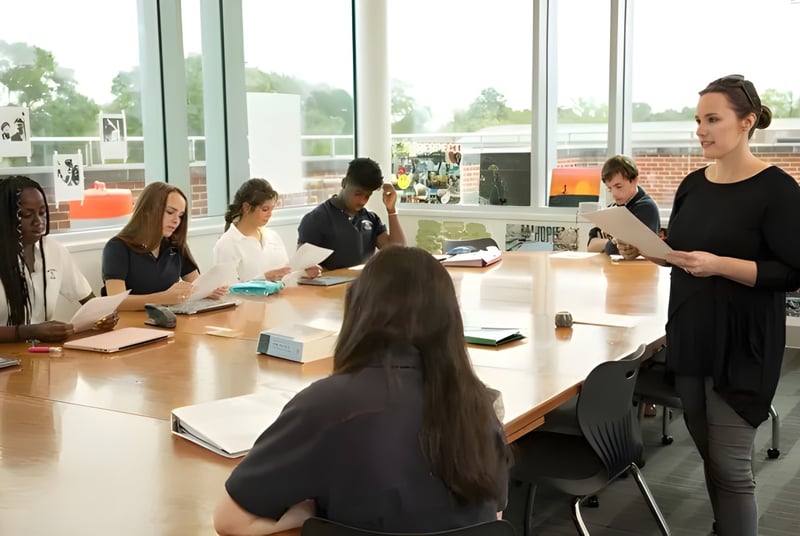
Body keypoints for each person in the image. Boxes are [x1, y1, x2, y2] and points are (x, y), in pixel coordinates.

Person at [213, 246, 508, 535]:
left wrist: (306, 515)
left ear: (359, 311)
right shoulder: (479, 403)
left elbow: (229, 521)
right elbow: (494, 515)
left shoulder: (326, 406)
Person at [619, 75, 800, 536]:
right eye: (698, 120)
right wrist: (650, 250)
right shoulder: (693, 184)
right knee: (711, 456)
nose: (701, 130)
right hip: (692, 331)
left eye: (713, 119)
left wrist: (721, 264)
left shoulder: (777, 190)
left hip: (743, 342)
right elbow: (683, 251)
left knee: (732, 468)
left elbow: (793, 273)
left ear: (747, 121)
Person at [0, 175, 118, 343]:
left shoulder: (53, 250)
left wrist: (104, 314)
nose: (38, 221)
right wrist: (29, 331)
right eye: (26, 214)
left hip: (40, 355)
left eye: (42, 213)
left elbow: (89, 301)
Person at [102, 182, 223, 311]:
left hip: (169, 321)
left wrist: (209, 291)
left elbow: (196, 285)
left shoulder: (175, 244)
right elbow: (116, 302)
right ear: (148, 210)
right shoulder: (117, 247)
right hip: (132, 326)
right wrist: (163, 298)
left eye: (181, 215)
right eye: (170, 212)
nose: (176, 221)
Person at [297, 157, 406, 270]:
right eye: (358, 194)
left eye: (367, 196)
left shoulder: (371, 219)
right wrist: (311, 269)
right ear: (344, 183)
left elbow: (399, 253)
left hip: (364, 285)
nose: (363, 201)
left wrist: (391, 210)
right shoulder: (316, 219)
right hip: (330, 287)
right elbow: (303, 266)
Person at [213, 178, 321, 282]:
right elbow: (227, 291)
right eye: (265, 209)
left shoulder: (272, 237)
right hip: (249, 301)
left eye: (272, 209)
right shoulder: (227, 244)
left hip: (280, 299)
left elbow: (285, 275)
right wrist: (264, 278)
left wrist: (304, 273)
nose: (270, 214)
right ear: (246, 207)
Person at [587, 155, 660, 256]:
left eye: (619, 186)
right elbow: (591, 246)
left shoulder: (647, 207)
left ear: (634, 180)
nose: (614, 194)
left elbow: (629, 249)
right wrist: (614, 242)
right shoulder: (612, 207)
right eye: (609, 189)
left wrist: (609, 244)